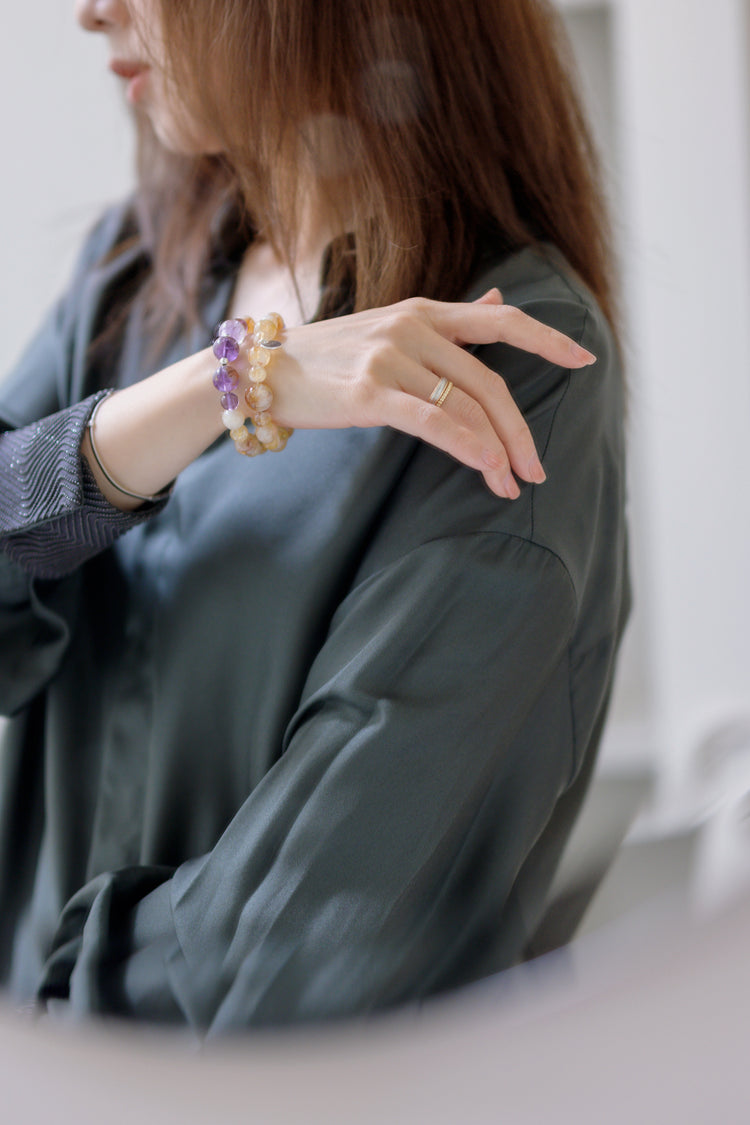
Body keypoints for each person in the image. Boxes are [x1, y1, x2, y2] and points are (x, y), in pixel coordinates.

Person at [0, 0, 629, 1033]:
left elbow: (307, 937)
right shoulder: (136, 267)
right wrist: (228, 381)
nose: (89, 11)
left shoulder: (507, 366)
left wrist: (56, 1029)